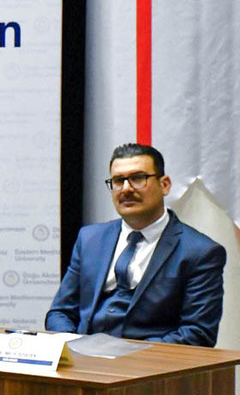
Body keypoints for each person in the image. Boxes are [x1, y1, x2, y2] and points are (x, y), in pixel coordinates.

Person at [45, 143, 226, 346]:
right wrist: (72, 347)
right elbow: (60, 312)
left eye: (138, 178)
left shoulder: (200, 252)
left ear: (165, 185)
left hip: (149, 362)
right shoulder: (90, 239)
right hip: (83, 358)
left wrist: (130, 355)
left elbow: (197, 334)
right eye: (118, 180)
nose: (126, 189)